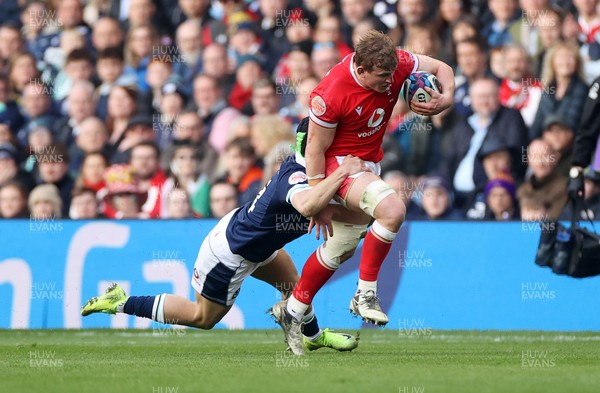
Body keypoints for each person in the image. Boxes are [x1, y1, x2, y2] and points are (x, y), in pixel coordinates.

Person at [81, 137, 368, 356]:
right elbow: (310, 204)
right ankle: (119, 301)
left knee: (294, 287)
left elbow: (332, 210)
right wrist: (344, 173)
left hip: (257, 242)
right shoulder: (297, 177)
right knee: (202, 317)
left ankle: (314, 337)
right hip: (231, 252)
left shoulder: (315, 175)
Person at [285, 30, 454, 329]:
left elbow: (443, 68)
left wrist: (446, 98)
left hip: (368, 162)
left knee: (341, 246)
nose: (390, 82)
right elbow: (315, 149)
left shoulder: (397, 63)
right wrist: (317, 198)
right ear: (361, 70)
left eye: (392, 74)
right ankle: (366, 293)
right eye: (382, 76)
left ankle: (294, 310)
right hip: (340, 165)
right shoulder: (332, 91)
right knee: (392, 210)